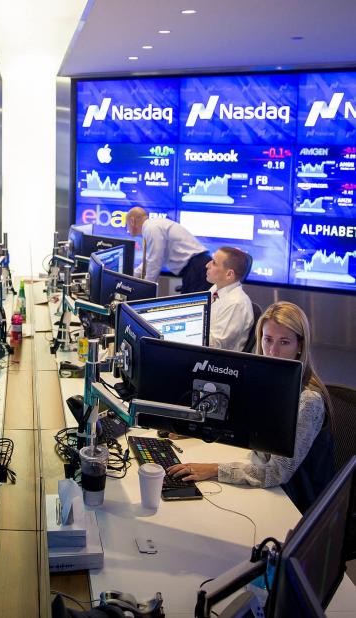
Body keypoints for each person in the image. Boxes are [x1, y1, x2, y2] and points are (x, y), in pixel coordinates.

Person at [168, 301, 335, 513]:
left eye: (284, 342)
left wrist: (211, 469)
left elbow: (276, 472)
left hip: (290, 501)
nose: (272, 351)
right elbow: (243, 424)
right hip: (263, 479)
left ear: (300, 346)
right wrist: (193, 431)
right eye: (268, 340)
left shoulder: (309, 400)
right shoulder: (268, 378)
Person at [125, 207, 210, 293]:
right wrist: (131, 275)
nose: (127, 229)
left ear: (132, 221)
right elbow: (149, 259)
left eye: (127, 224)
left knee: (192, 304)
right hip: (196, 265)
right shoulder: (153, 225)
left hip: (196, 267)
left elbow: (155, 261)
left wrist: (146, 289)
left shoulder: (151, 228)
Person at [205, 247, 254, 351]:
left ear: (229, 274)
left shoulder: (236, 303)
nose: (207, 265)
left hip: (215, 363)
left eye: (214, 263)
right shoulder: (216, 288)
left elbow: (216, 346)